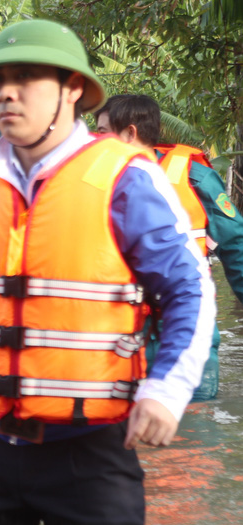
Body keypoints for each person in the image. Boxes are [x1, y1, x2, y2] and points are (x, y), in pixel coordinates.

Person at [0, 20, 215, 525]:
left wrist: (167, 390)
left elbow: (189, 291)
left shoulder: (127, 178)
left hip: (91, 446)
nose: (5, 92)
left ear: (72, 89)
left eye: (26, 78)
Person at [95, 93, 242, 400]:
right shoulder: (90, 181)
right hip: (113, 334)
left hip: (183, 327)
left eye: (102, 131)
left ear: (130, 133)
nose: (95, 139)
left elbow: (235, 246)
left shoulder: (194, 177)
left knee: (193, 431)